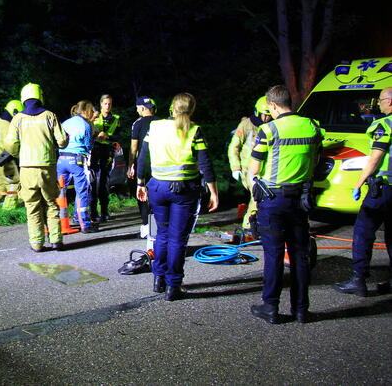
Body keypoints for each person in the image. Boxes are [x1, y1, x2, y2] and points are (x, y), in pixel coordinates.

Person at [248, 85, 323, 324]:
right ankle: (301, 309)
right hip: (301, 198)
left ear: (272, 105)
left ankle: (270, 307)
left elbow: (255, 167)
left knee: (274, 255)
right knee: (300, 255)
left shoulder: (268, 129)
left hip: (273, 199)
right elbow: (317, 157)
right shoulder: (312, 125)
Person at [136, 93, 219, 301]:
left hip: (157, 188)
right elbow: (205, 164)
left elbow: (143, 157)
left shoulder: (154, 127)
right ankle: (173, 286)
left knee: (162, 234)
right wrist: (214, 192)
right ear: (191, 109)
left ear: (172, 108)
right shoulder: (194, 130)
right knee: (177, 239)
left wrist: (140, 182)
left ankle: (159, 278)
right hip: (184, 190)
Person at [334, 86, 392, 296]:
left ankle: (358, 280)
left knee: (363, 232)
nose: (378, 103)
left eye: (380, 100)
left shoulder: (384, 125)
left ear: (390, 101)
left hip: (383, 188)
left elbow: (375, 157)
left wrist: (359, 184)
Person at [5, 83, 68, 252]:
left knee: (32, 206)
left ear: (23, 98)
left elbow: (10, 144)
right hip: (47, 166)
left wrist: (19, 154)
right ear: (40, 96)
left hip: (27, 168)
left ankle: (37, 244)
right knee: (51, 203)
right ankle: (56, 240)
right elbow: (62, 140)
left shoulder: (17, 119)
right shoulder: (49, 115)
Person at [228, 96, 272, 235]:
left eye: (269, 115)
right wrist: (236, 168)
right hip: (249, 169)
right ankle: (248, 226)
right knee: (257, 196)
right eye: (264, 115)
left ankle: (260, 225)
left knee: (264, 198)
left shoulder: (272, 127)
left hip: (266, 168)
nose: (267, 118)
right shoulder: (246, 125)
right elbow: (233, 147)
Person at [58, 100, 99, 233]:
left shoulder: (65, 123)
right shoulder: (85, 125)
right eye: (92, 110)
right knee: (82, 191)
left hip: (61, 159)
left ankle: (59, 223)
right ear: (86, 111)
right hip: (77, 160)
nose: (93, 113)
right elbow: (88, 146)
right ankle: (84, 224)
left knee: (60, 192)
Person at [127, 96, 160, 250]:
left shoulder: (137, 124)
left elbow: (134, 147)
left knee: (142, 193)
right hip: (159, 162)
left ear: (140, 108)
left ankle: (146, 226)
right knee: (156, 193)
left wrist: (130, 165)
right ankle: (158, 224)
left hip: (143, 162)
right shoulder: (161, 122)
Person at [0, 99, 24, 211]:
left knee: (0, 185)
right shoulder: (8, 126)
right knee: (14, 183)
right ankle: (9, 210)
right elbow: (12, 145)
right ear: (15, 112)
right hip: (5, 158)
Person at [90, 94, 120, 222]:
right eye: (105, 103)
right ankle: (93, 212)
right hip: (94, 150)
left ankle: (104, 211)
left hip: (107, 151)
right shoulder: (93, 117)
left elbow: (118, 136)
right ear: (101, 104)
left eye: (110, 104)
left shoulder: (116, 118)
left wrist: (107, 137)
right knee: (92, 182)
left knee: (104, 182)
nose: (108, 106)